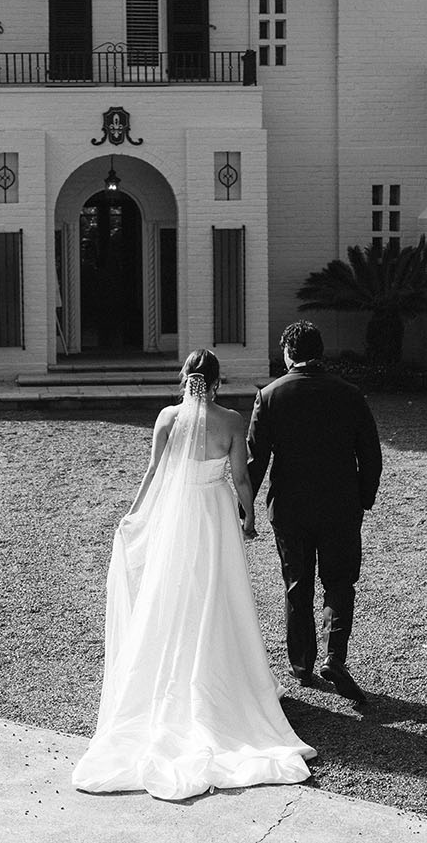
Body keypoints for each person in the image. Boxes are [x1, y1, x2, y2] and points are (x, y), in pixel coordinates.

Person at [72, 349, 315, 801]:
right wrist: (248, 518)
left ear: (185, 378)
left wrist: (136, 512)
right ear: (217, 381)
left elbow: (153, 472)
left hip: (174, 516)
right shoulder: (230, 420)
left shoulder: (167, 416)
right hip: (212, 512)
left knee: (173, 590)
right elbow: (241, 478)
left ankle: (171, 675)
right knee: (216, 593)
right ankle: (223, 677)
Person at [246, 321, 382, 705]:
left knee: (297, 584)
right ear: (319, 352)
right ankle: (334, 657)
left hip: (290, 508)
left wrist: (245, 509)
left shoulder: (270, 396)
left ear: (289, 352)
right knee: (340, 582)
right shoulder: (349, 395)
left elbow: (256, 461)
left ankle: (302, 664)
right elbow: (370, 455)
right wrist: (363, 499)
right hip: (340, 505)